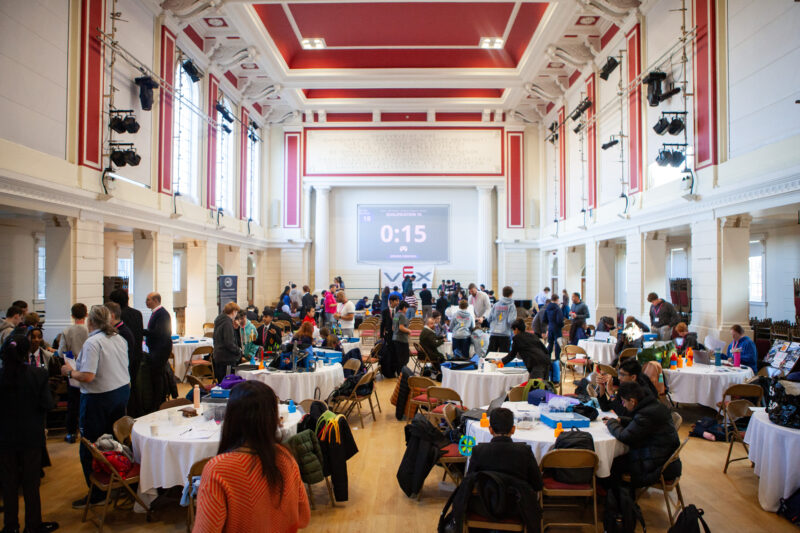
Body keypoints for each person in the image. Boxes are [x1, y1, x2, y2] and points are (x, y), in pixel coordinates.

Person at [193, 381, 310, 532]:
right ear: (273, 418)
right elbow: (303, 517)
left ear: (231, 418)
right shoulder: (285, 458)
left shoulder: (218, 470)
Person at [60, 305, 130, 509]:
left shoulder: (93, 342)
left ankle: (98, 493)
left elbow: (88, 376)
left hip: (99, 398)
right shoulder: (119, 338)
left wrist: (70, 372)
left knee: (91, 446)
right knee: (115, 442)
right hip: (120, 391)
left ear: (91, 322)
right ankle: (117, 481)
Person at [0, 334, 59, 533]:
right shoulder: (37, 374)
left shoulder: (2, 375)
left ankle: (10, 526)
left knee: (8, 483)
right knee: (31, 483)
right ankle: (32, 525)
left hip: (5, 436)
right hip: (31, 435)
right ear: (27, 352)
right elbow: (48, 404)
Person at [603, 381, 681, 488]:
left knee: (611, 462)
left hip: (655, 464)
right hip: (665, 458)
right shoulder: (654, 405)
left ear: (633, 401)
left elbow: (625, 436)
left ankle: (620, 497)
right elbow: (640, 423)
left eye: (623, 402)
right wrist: (621, 420)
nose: (623, 405)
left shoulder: (645, 414)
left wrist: (611, 423)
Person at [467, 407, 543, 491]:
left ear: (490, 430)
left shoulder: (478, 451)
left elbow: (469, 483)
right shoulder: (525, 451)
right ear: (513, 429)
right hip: (518, 501)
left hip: (487, 501)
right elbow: (537, 485)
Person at [57, 303, 89, 443]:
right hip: (88, 365)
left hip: (73, 363)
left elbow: (61, 351)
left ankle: (71, 433)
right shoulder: (89, 330)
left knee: (73, 401)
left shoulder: (67, 331)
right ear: (86, 315)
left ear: (72, 315)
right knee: (87, 399)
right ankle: (86, 431)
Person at [143, 292, 173, 411]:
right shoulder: (157, 313)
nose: (146, 302)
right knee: (157, 375)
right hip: (157, 348)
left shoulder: (162, 314)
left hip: (160, 349)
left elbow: (159, 332)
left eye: (148, 299)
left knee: (158, 375)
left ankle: (159, 401)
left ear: (155, 300)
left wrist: (142, 332)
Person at [108, 289, 143, 384]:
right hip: (137, 353)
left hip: (125, 355)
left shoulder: (119, 316)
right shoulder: (137, 313)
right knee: (134, 383)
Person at [105, 302, 135, 383]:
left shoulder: (122, 333)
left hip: (120, 376)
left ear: (112, 316)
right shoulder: (120, 330)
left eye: (104, 316)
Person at [213, 302, 243, 382]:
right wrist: (238, 350)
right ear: (233, 311)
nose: (236, 314)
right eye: (236, 312)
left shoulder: (219, 320)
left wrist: (235, 329)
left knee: (221, 382)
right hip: (227, 358)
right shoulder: (227, 322)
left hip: (218, 356)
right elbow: (229, 342)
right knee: (227, 383)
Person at [487, 286, 517, 353]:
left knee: (490, 356)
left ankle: (488, 364)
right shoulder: (511, 306)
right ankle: (500, 364)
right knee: (503, 357)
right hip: (505, 334)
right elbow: (511, 321)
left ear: (502, 293)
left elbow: (489, 319)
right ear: (511, 294)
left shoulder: (496, 304)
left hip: (494, 333)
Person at [392, 301, 412, 375]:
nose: (406, 310)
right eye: (406, 309)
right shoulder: (403, 315)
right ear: (404, 308)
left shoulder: (396, 315)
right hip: (402, 339)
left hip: (395, 338)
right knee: (404, 358)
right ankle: (402, 373)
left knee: (398, 357)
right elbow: (401, 327)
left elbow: (393, 327)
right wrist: (409, 331)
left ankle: (399, 372)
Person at [543, 294, 564, 359]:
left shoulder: (547, 307)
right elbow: (559, 320)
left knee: (550, 344)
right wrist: (562, 325)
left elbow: (544, 319)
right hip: (557, 329)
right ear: (557, 299)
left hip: (550, 328)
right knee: (558, 345)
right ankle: (557, 360)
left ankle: (547, 359)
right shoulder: (558, 308)